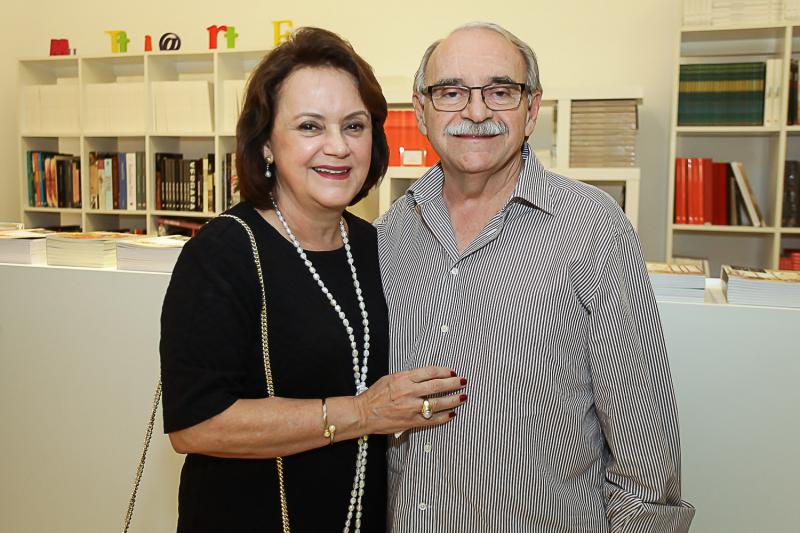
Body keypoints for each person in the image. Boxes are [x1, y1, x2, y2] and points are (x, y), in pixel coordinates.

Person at [376, 22, 695, 532]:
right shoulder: (388, 234)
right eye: (451, 92)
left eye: (500, 92)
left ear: (531, 109)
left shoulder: (594, 228)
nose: (475, 112)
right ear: (420, 110)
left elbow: (646, 452)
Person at [159, 27, 467, 533]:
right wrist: (362, 413)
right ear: (266, 145)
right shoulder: (223, 253)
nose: (337, 147)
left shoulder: (377, 245)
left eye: (354, 126)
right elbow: (195, 425)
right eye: (309, 126)